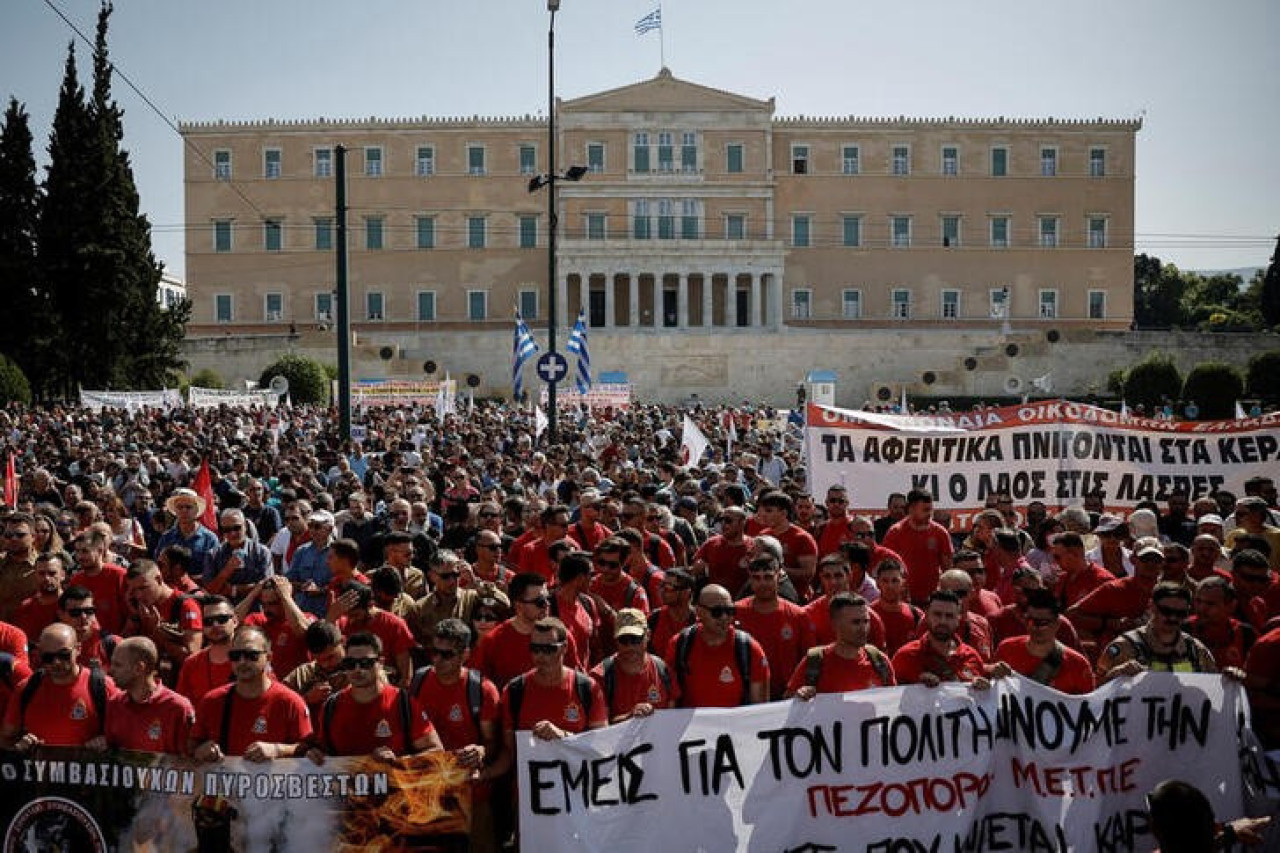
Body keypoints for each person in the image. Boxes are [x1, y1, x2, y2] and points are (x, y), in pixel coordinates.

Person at [407, 618, 502, 853]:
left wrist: (480, 751)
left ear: (465, 655)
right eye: (433, 652)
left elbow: (493, 742)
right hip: (429, 792)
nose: (437, 660)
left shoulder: (482, 690)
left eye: (446, 654)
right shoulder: (418, 682)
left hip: (472, 792)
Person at [306, 631, 442, 762]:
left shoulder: (402, 703)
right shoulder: (331, 707)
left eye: (366, 663)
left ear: (380, 663)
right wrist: (315, 755)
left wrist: (399, 761)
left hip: (392, 783)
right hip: (347, 785)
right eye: (351, 664)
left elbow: (436, 751)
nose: (358, 670)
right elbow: (324, 753)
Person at [190, 625, 312, 762]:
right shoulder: (211, 701)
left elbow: (308, 749)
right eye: (235, 656)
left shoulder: (291, 702)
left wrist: (278, 750)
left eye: (251, 655)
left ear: (269, 657)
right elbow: (191, 747)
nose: (242, 662)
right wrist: (201, 750)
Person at [0, 623, 116, 750]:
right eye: (48, 657)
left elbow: (127, 737)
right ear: (39, 654)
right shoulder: (26, 689)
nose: (56, 662)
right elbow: (6, 740)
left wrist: (107, 741)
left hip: (87, 768)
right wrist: (20, 746)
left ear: (78, 649)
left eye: (64, 655)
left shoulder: (103, 686)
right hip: (39, 769)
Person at [500, 617, 606, 745]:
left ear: (564, 648)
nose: (541, 656)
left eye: (548, 649)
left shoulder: (587, 688)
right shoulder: (514, 691)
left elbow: (601, 744)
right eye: (535, 648)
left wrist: (563, 736)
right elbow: (509, 752)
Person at [665, 583, 769, 708]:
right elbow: (669, 697)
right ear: (699, 611)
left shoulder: (749, 648)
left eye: (730, 611)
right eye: (717, 612)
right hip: (693, 726)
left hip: (735, 726)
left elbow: (759, 708)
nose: (724, 617)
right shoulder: (680, 645)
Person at [471, 573, 581, 689]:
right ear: (519, 606)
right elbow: (480, 687)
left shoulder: (561, 636)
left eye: (548, 599)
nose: (546, 605)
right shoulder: (494, 641)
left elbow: (575, 681)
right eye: (540, 602)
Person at [1096, 583, 1220, 683]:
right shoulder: (1124, 647)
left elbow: (1214, 688)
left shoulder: (1196, 651)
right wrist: (1115, 674)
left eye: (1180, 613)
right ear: (1152, 606)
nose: (1173, 618)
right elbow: (1095, 691)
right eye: (1166, 611)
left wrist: (1232, 679)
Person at [96, 636, 196, 754]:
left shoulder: (178, 708)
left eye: (118, 665)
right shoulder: (114, 704)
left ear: (139, 668)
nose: (111, 671)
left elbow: (189, 763)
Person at [735, 553, 815, 700]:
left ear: (778, 576)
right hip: (746, 701)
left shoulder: (798, 616)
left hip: (786, 699)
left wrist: (800, 688)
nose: (762, 583)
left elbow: (808, 660)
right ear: (750, 580)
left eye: (768, 577)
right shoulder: (735, 613)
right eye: (756, 578)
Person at [1067, 537, 1165, 655]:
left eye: (1156, 560)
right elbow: (1071, 614)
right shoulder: (1114, 589)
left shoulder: (1170, 593)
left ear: (1163, 563)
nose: (1151, 564)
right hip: (1118, 655)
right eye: (1145, 559)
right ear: (1133, 559)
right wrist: (1112, 623)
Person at [787, 593, 895, 698]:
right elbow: (786, 706)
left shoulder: (880, 662)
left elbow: (892, 703)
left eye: (866, 621)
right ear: (835, 625)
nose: (863, 629)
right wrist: (800, 697)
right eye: (856, 622)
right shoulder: (814, 663)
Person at [994, 589, 1094, 694]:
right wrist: (992, 670)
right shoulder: (1006, 649)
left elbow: (1089, 704)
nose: (1035, 627)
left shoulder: (1077, 665)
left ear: (1057, 624)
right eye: (1030, 621)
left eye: (1043, 623)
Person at [122, 559, 203, 685]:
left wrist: (157, 632)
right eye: (134, 590)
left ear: (159, 580)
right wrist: (134, 616)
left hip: (178, 684)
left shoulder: (185, 606)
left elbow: (192, 657)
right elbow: (125, 645)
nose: (139, 595)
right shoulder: (140, 605)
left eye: (143, 588)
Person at [891, 591, 995, 687]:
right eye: (937, 614)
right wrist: (918, 686)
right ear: (926, 616)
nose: (943, 621)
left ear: (958, 619)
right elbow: (888, 698)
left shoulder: (971, 657)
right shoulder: (905, 657)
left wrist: (978, 688)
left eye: (949, 616)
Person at [590, 608, 676, 722]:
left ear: (648, 636)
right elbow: (597, 727)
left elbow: (672, 718)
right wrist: (630, 718)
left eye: (635, 639)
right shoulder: (600, 677)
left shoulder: (663, 670)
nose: (630, 647)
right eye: (623, 640)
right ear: (615, 639)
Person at [327, 580, 415, 687]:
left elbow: (406, 677)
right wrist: (331, 618)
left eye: (356, 615)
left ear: (370, 605)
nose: (351, 620)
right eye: (347, 615)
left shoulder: (394, 625)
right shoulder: (341, 623)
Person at [882, 489, 954, 607]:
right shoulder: (895, 532)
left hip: (932, 600)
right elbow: (886, 566)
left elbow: (948, 569)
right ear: (911, 509)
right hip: (903, 600)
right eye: (925, 510)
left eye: (931, 510)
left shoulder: (940, 532)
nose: (929, 514)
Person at [236, 576, 314, 682]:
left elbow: (303, 631)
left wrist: (286, 596)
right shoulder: (258, 620)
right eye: (263, 604)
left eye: (273, 603)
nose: (267, 609)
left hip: (298, 686)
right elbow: (231, 622)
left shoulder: (307, 618)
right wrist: (253, 594)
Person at [177, 595, 238, 705]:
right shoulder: (191, 664)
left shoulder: (251, 657)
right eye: (208, 621)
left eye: (221, 619)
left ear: (235, 621)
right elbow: (183, 707)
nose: (215, 625)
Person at [1186, 575, 1256, 670]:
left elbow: (1255, 674)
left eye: (1210, 604)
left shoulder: (1246, 634)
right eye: (1198, 601)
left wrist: (1240, 675)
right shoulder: (1184, 629)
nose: (1201, 608)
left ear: (1231, 606)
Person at [68, 528, 129, 635]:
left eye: (85, 551)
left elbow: (131, 614)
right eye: (77, 551)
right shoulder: (76, 580)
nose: (80, 556)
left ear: (100, 550)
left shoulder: (119, 575)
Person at [202, 509, 273, 601]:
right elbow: (209, 591)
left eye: (237, 528)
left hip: (255, 607)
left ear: (245, 527)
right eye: (227, 530)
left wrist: (233, 590)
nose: (232, 533)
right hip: (223, 608)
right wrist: (227, 571)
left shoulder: (261, 552)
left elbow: (266, 588)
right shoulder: (213, 555)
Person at [155, 488, 220, 575]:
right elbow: (158, 566)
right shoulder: (166, 538)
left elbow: (215, 571)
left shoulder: (210, 539)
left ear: (196, 510)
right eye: (180, 507)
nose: (184, 510)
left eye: (188, 507)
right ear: (175, 511)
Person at [691, 506, 755, 595]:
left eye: (728, 520)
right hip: (715, 600)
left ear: (742, 523)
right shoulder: (711, 543)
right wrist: (697, 568)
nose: (723, 524)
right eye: (722, 520)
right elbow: (694, 569)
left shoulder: (754, 546)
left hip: (742, 602)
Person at [286, 509, 335, 618]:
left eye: (317, 526)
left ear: (329, 529)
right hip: (302, 610)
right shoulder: (301, 551)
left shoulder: (338, 552)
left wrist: (321, 590)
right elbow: (289, 580)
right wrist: (301, 586)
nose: (312, 530)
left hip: (327, 612)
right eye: (310, 525)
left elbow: (342, 582)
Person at [869, 558, 923, 656]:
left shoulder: (917, 615)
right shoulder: (868, 615)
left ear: (903, 583)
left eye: (895, 581)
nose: (890, 586)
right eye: (885, 581)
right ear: (877, 583)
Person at [13, 551, 66, 646]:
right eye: (42, 573)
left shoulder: (73, 607)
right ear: (35, 575)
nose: (47, 578)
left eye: (52, 573)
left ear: (62, 575)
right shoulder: (25, 607)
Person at [646, 567, 697, 656]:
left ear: (686, 592)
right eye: (662, 585)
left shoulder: (699, 621)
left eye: (668, 587)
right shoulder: (653, 620)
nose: (662, 591)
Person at [0, 513, 40, 622]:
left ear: (33, 537)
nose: (13, 539)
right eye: (8, 535)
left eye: (20, 535)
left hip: (31, 632)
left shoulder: (44, 566)